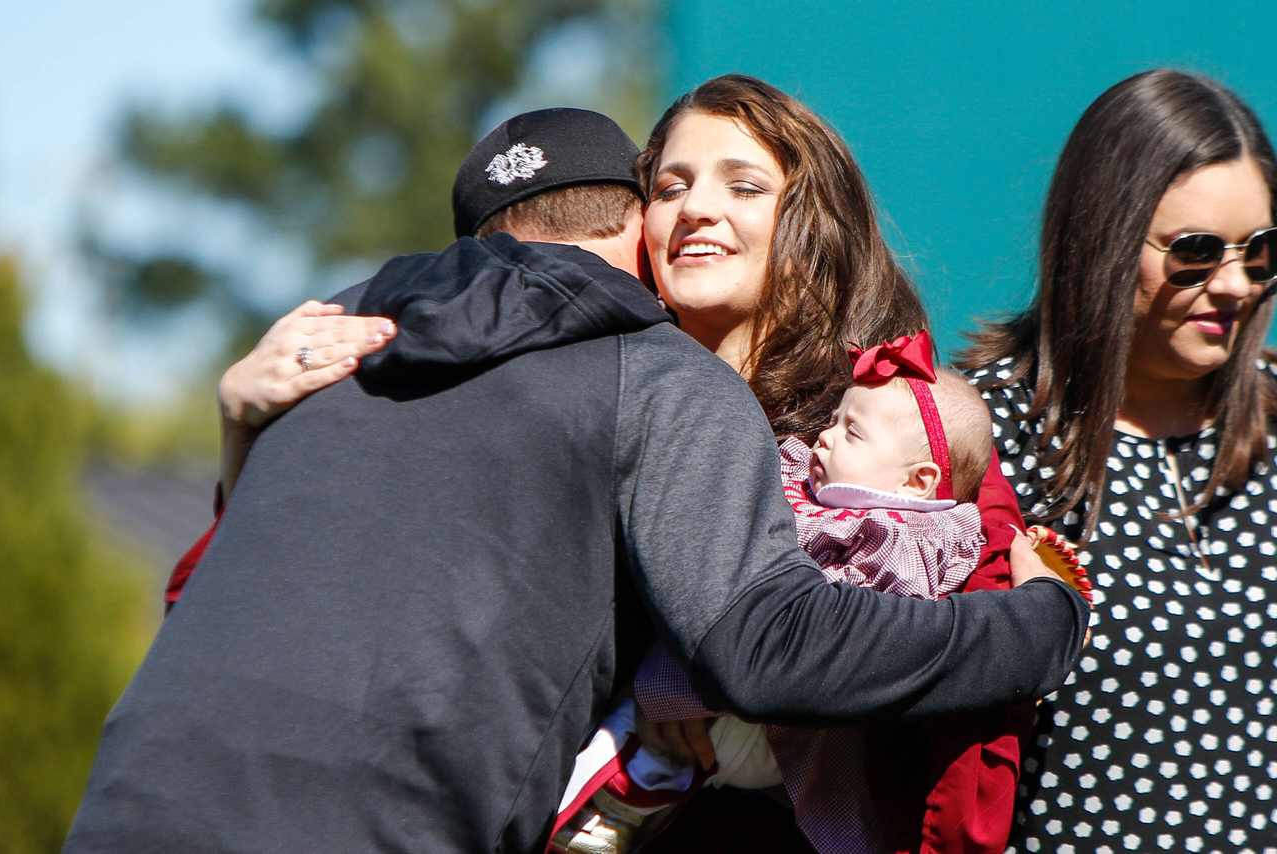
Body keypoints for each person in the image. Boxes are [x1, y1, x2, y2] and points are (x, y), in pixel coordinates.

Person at [120, 84, 1084, 854]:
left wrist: (1041, 619)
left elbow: (966, 622)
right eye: (670, 185)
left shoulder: (895, 408)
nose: (699, 208)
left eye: (744, 186)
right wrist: (242, 425)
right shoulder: (586, 388)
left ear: (813, 222)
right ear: (634, 235)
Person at [959, 69, 1277, 854]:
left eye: (1261, 251)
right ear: (1101, 237)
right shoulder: (984, 436)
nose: (1234, 285)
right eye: (1196, 252)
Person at [552, 334, 1027, 854]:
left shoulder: (910, 536)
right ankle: (629, 811)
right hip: (742, 712)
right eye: (833, 420)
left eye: (851, 431)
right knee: (674, 748)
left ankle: (602, 799)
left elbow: (881, 614)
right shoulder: (798, 478)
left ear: (918, 482)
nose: (826, 437)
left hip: (786, 718)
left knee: (630, 727)